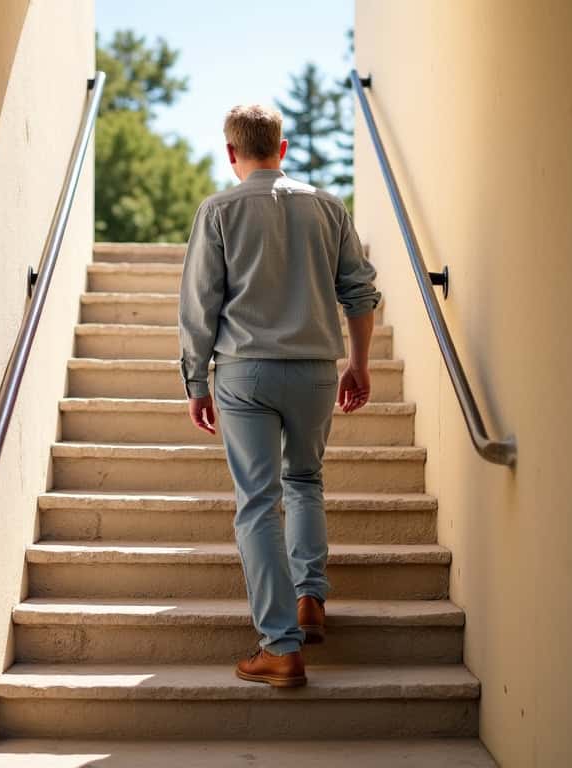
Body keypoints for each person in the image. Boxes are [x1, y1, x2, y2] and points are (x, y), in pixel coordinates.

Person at [178, 104, 381, 688]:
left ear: (231, 153)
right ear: (283, 148)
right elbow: (360, 293)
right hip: (316, 369)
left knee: (259, 504)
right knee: (305, 482)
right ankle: (310, 599)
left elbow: (200, 306)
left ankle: (280, 648)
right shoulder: (327, 206)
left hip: (246, 374)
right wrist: (357, 365)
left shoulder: (218, 210)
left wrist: (195, 381)